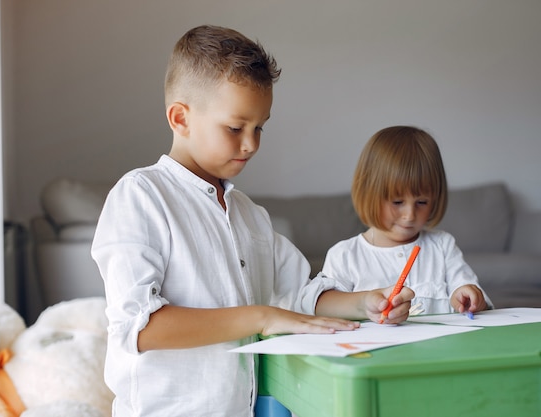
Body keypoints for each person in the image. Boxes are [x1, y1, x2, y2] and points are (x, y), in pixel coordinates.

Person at [91, 25, 407, 417]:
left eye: (260, 127)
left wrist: (364, 303)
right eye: (235, 128)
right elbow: (140, 328)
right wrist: (261, 316)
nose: (252, 143)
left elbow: (299, 295)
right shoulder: (140, 196)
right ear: (180, 118)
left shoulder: (250, 215)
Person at [306, 125, 493, 320]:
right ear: (368, 194)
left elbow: (471, 296)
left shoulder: (443, 246)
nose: (410, 215)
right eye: (397, 202)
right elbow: (324, 310)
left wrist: (471, 296)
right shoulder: (344, 256)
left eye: (422, 202)